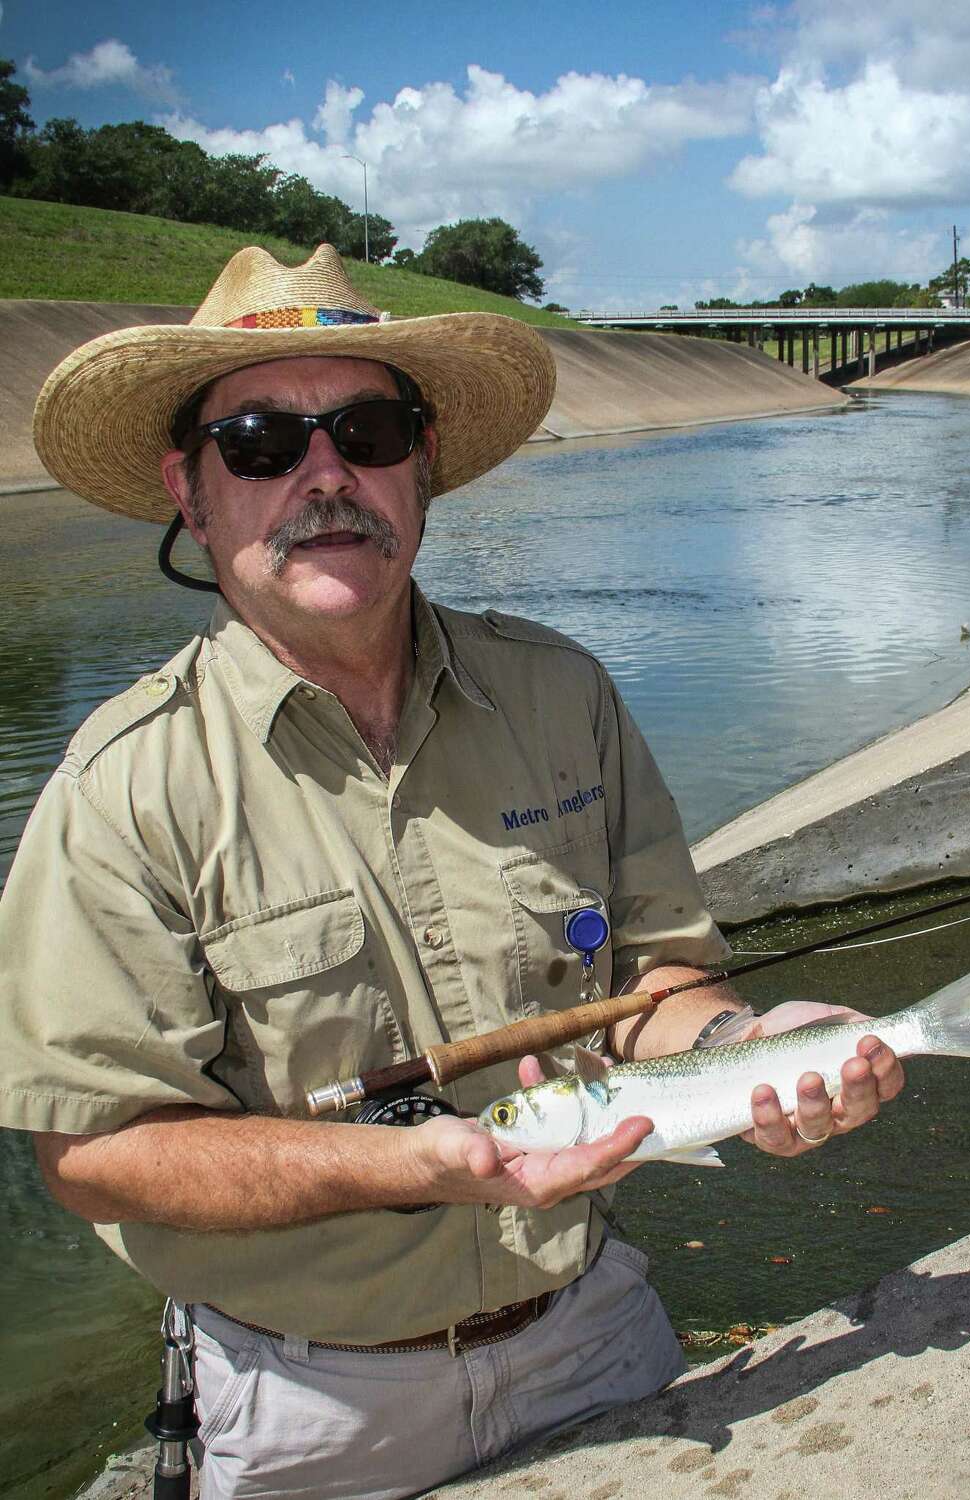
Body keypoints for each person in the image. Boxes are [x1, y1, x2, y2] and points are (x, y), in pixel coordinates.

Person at [0, 244, 904, 1498]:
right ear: (190, 491)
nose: (327, 475)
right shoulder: (118, 790)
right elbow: (95, 1153)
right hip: (309, 1409)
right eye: (264, 441)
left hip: (597, 1332)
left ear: (421, 463)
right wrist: (412, 1163)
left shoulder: (561, 691)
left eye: (367, 429)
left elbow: (661, 982)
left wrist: (756, 1040)